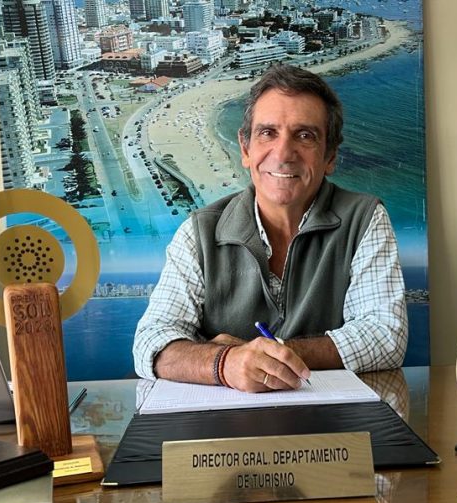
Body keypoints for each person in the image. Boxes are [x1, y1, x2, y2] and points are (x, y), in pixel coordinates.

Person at [133, 64, 407, 393]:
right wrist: (225, 363)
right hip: (226, 424)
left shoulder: (365, 219)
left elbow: (386, 336)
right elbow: (150, 344)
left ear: (330, 156)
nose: (283, 153)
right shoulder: (199, 231)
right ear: (245, 149)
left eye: (304, 136)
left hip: (332, 422)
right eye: (267, 133)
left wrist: (267, 356)